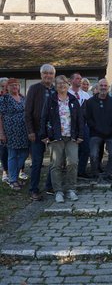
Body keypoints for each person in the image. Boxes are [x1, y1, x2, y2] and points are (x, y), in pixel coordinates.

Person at [40, 75, 83, 203]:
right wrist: (43, 135)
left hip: (72, 137)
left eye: (64, 83)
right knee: (56, 165)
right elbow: (44, 118)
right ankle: (58, 191)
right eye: (59, 83)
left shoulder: (73, 100)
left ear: (68, 85)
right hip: (55, 137)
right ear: (56, 85)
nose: (62, 85)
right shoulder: (51, 100)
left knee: (73, 163)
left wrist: (80, 135)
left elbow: (80, 119)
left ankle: (71, 189)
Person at [25, 64, 56, 200]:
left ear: (54, 75)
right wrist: (30, 131)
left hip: (53, 132)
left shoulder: (56, 90)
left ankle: (49, 186)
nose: (48, 76)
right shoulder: (34, 89)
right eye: (45, 73)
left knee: (54, 161)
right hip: (37, 131)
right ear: (41, 75)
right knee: (37, 162)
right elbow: (27, 112)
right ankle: (34, 189)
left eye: (50, 73)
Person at [0, 79, 29, 190]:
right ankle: (13, 180)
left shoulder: (23, 98)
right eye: (12, 85)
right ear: (7, 87)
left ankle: (13, 176)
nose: (15, 87)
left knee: (25, 153)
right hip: (10, 131)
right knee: (12, 155)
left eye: (16, 85)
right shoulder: (4, 99)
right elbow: (0, 117)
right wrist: (1, 133)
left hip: (24, 131)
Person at [86, 79, 112, 180]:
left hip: (110, 133)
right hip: (95, 133)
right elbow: (88, 118)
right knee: (93, 154)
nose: (103, 87)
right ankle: (95, 173)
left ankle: (109, 173)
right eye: (101, 85)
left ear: (108, 88)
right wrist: (96, 128)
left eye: (105, 85)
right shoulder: (90, 102)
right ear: (97, 87)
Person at [68, 73, 90, 178]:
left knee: (85, 149)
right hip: (70, 126)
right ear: (71, 80)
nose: (80, 80)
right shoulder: (66, 93)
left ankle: (81, 171)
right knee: (71, 150)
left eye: (80, 79)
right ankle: (70, 171)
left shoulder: (85, 95)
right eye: (77, 78)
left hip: (84, 125)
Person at [0, 77, 9, 183]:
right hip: (2, 128)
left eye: (7, 86)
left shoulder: (18, 96)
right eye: (3, 86)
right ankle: (5, 172)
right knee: (3, 151)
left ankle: (20, 171)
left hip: (14, 128)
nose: (5, 88)